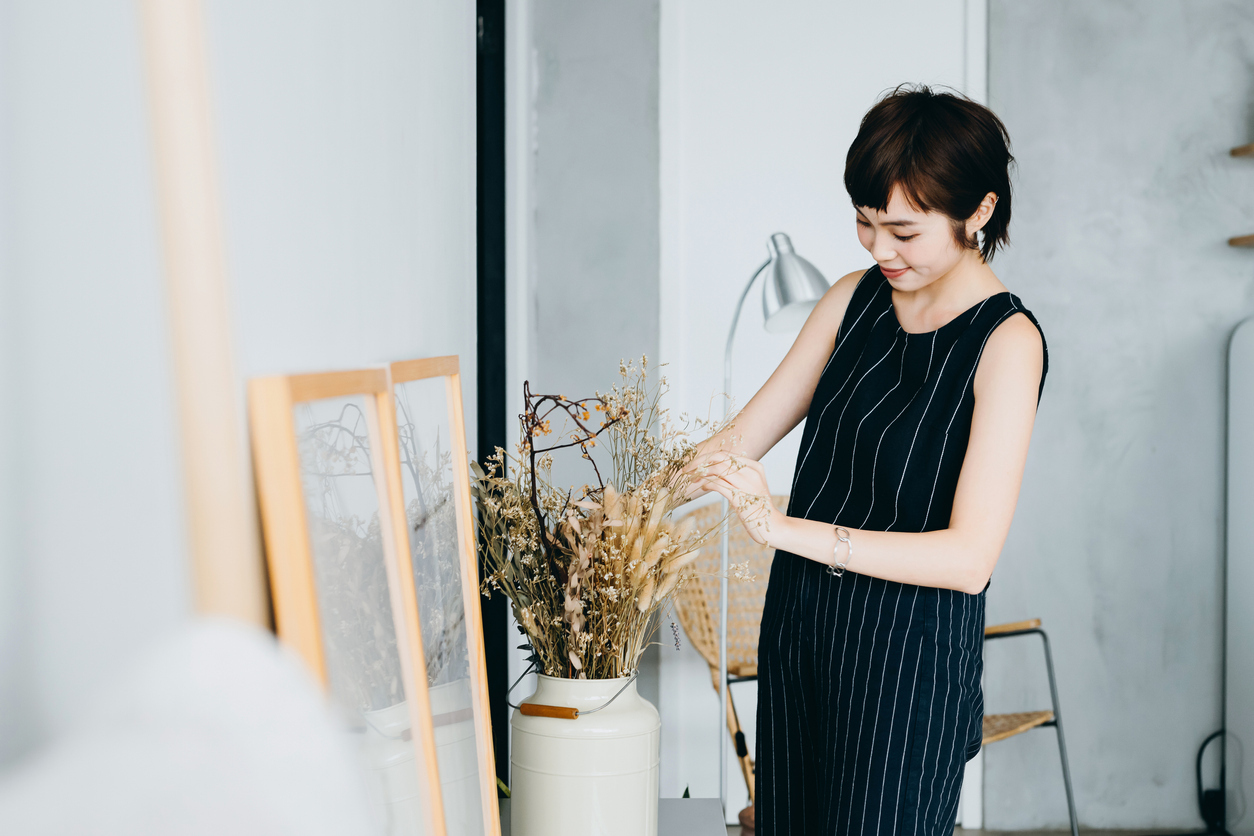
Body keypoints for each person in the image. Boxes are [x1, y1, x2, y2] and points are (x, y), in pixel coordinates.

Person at [687, 85, 1048, 835]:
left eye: (904, 232)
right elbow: (735, 442)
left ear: (978, 213)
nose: (878, 249)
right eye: (864, 222)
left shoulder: (1007, 344)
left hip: (907, 665)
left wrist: (780, 527)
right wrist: (623, 510)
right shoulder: (852, 299)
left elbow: (968, 559)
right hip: (802, 636)